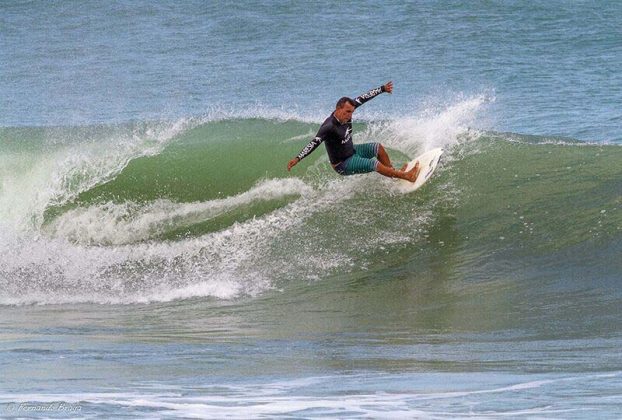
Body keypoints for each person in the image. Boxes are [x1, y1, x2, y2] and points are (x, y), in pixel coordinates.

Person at [287, 81, 420, 182]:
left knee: (378, 148)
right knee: (373, 164)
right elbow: (314, 143)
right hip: (343, 164)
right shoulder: (329, 126)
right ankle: (406, 176)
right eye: (347, 112)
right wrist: (298, 158)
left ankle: (395, 174)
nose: (350, 115)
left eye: (352, 112)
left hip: (352, 151)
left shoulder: (349, 108)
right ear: (338, 109)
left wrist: (382, 89)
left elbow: (364, 97)